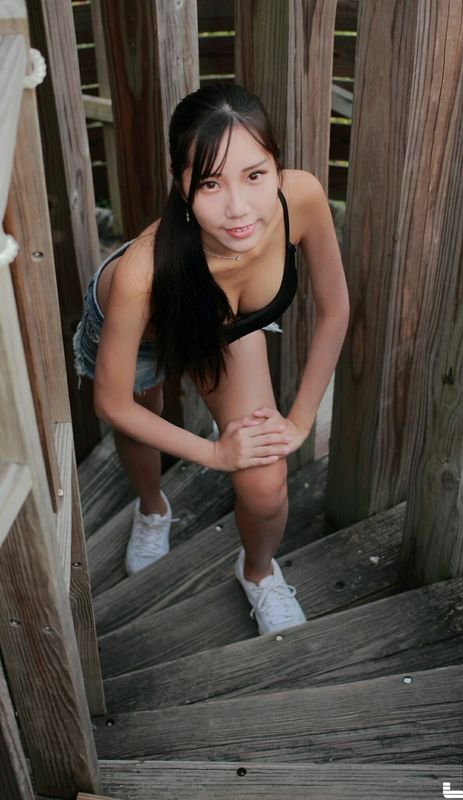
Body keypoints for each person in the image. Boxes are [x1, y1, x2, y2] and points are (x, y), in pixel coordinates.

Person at [73, 83, 350, 635]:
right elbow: (111, 403)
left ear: (276, 165)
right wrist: (216, 453)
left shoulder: (302, 197)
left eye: (255, 174)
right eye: (210, 183)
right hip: (143, 332)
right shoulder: (139, 275)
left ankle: (258, 572)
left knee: (265, 481)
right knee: (141, 418)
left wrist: (299, 422)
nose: (238, 208)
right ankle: (152, 507)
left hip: (226, 327)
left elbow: (334, 309)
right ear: (180, 182)